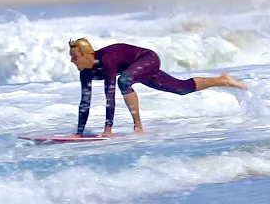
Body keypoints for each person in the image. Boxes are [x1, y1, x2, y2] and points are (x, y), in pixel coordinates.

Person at [68, 38, 247, 138]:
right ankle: (222, 80)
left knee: (124, 81)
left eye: (74, 57)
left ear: (87, 54)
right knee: (181, 88)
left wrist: (108, 130)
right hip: (136, 67)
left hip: (148, 59)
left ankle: (138, 127)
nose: (72, 61)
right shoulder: (85, 72)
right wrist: (79, 133)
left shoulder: (107, 60)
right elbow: (85, 102)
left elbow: (110, 93)